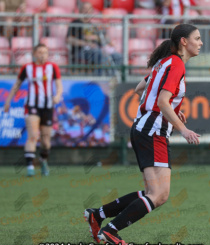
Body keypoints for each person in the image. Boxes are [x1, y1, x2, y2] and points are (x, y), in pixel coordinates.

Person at [84, 24, 203, 245]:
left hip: (144, 129)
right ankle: (110, 230)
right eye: (197, 38)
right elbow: (161, 101)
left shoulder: (164, 62)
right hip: (153, 132)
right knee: (160, 194)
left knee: (153, 191)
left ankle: (98, 215)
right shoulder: (176, 64)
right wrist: (183, 129)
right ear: (183, 42)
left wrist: (174, 110)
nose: (201, 42)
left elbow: (141, 90)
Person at [4, 43, 63, 176]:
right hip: (32, 106)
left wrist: (58, 95)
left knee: (46, 141)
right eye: (40, 52)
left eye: (45, 52)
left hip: (48, 106)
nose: (42, 55)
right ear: (35, 54)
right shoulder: (27, 68)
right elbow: (16, 85)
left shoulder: (53, 67)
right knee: (32, 136)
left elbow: (59, 85)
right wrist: (8, 102)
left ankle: (43, 160)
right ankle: (30, 167)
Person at [66, 2, 122, 75]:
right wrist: (86, 43)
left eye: (89, 9)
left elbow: (103, 37)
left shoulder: (94, 26)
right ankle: (100, 78)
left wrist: (108, 42)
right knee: (99, 53)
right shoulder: (75, 23)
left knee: (118, 56)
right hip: (81, 51)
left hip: (97, 49)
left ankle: (114, 77)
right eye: (84, 9)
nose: (87, 11)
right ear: (80, 10)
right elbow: (69, 39)